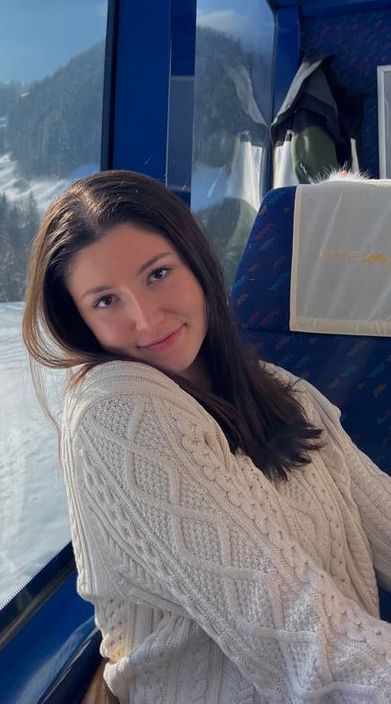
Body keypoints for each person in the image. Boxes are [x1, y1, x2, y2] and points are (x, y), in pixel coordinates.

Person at [22, 170, 391, 703]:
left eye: (157, 274)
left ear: (196, 263)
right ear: (80, 321)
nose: (146, 322)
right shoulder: (119, 411)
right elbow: (305, 640)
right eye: (106, 301)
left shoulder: (284, 390)